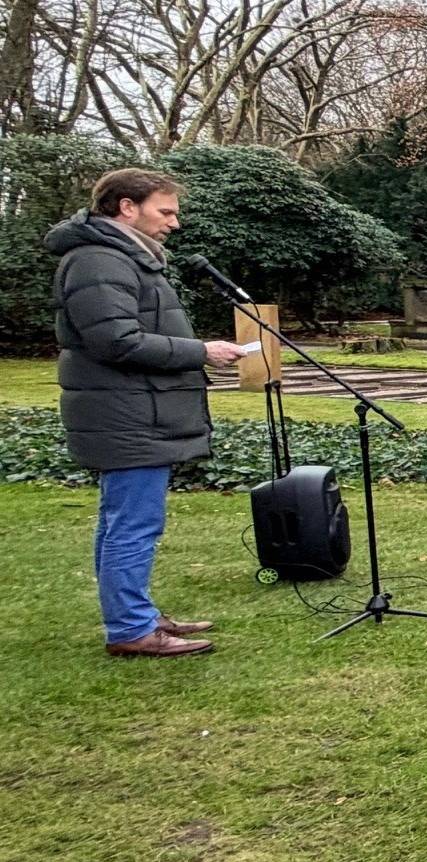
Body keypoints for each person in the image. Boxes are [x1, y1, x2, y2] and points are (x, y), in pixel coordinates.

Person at [50, 168, 247, 657]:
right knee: (133, 523)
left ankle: (135, 613)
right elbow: (115, 341)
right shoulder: (98, 261)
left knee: (123, 520)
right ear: (126, 207)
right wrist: (200, 351)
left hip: (136, 410)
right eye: (166, 211)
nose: (174, 223)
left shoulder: (122, 258)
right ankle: (132, 629)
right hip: (127, 414)